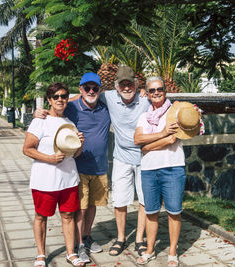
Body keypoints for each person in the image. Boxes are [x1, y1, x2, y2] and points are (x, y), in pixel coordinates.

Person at [34, 73, 111, 263]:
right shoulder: (72, 108)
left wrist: (142, 91)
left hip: (99, 167)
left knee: (92, 206)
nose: (91, 91)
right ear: (81, 89)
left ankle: (85, 237)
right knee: (80, 210)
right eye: (87, 88)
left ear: (100, 90)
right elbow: (58, 106)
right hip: (78, 167)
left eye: (95, 88)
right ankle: (78, 245)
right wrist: (38, 111)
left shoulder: (105, 108)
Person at [133, 77, 201, 267]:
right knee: (151, 212)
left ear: (165, 90)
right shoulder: (144, 116)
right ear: (146, 92)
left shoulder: (176, 111)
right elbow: (137, 139)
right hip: (148, 171)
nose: (156, 92)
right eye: (152, 90)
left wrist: (147, 147)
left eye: (159, 89)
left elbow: (172, 141)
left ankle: (172, 252)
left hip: (172, 168)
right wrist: (162, 133)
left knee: (174, 212)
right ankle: (150, 250)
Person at [23, 82, 85, 267]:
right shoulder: (40, 121)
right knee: (41, 216)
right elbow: (27, 149)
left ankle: (71, 253)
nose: (60, 99)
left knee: (68, 216)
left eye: (64, 96)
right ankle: (41, 255)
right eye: (56, 96)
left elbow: (76, 154)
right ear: (49, 100)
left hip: (68, 179)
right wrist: (49, 159)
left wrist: (80, 143)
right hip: (45, 180)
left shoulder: (70, 123)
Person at [99, 66, 150, 257]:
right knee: (119, 199)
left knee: (144, 200)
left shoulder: (145, 100)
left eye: (130, 83)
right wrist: (48, 110)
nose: (126, 87)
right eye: (123, 84)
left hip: (145, 157)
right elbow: (82, 99)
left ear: (136, 84)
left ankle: (139, 239)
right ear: (116, 86)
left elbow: (165, 103)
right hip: (121, 157)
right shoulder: (109, 97)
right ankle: (120, 238)